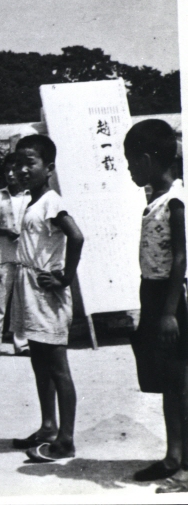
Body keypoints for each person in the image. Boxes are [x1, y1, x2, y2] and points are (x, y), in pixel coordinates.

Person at [9, 134, 84, 463]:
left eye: (30, 163)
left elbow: (77, 236)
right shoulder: (33, 201)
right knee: (39, 362)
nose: (23, 169)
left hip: (46, 293)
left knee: (57, 367)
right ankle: (48, 426)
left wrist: (65, 277)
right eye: (19, 163)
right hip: (29, 289)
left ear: (48, 168)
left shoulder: (52, 201)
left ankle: (65, 439)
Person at [122, 120, 188, 491]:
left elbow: (181, 259)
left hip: (171, 299)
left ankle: (187, 468)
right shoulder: (156, 200)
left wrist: (167, 313)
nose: (130, 170)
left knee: (181, 384)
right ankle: (172, 456)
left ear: (147, 160)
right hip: (153, 293)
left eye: (132, 162)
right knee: (166, 382)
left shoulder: (175, 201)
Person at [0, 152, 30, 358]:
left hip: (26, 257)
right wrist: (3, 231)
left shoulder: (31, 196)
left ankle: (22, 344)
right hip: (1, 256)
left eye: (14, 170)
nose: (11, 174)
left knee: (22, 303)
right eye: (7, 171)